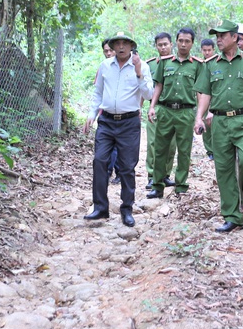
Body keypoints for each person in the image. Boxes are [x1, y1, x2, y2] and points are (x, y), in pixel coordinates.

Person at [194, 20, 243, 233]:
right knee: (224, 169)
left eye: (222, 35)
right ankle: (232, 215)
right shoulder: (210, 65)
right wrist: (199, 118)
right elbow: (205, 94)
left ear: (235, 38)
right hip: (219, 122)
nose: (218, 39)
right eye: (216, 36)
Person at [84, 32, 153, 227]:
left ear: (132, 46)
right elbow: (98, 92)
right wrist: (91, 114)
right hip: (106, 121)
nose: (121, 47)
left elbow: (148, 94)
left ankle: (127, 209)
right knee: (99, 160)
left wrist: (139, 71)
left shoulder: (142, 66)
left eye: (125, 43)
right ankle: (100, 208)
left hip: (129, 122)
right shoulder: (105, 66)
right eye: (117, 43)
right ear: (112, 47)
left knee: (127, 167)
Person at [147, 28, 203, 198]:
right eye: (181, 41)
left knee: (184, 151)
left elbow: (200, 92)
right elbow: (159, 86)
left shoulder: (197, 65)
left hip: (186, 112)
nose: (184, 44)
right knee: (160, 149)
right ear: (176, 42)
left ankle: (181, 186)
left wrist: (199, 117)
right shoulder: (165, 62)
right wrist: (152, 107)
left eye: (187, 41)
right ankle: (157, 185)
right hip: (165, 110)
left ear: (192, 43)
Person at [145, 33, 177, 190]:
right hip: (156, 107)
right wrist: (140, 107)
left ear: (171, 44)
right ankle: (152, 176)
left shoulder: (180, 63)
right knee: (153, 143)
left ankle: (165, 175)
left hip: (174, 109)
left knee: (171, 145)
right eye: (160, 45)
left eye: (165, 44)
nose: (163, 47)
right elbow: (142, 88)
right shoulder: (150, 65)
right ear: (156, 46)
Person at [101, 38, 120, 184]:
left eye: (110, 50)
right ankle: (107, 171)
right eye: (105, 51)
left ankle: (119, 172)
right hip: (106, 113)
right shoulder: (104, 67)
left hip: (125, 115)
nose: (108, 53)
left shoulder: (133, 66)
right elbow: (99, 91)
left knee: (120, 146)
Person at [200, 38, 216, 160]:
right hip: (202, 99)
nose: (207, 53)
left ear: (213, 50)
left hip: (216, 99)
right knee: (205, 124)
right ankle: (209, 150)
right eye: (204, 50)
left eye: (209, 50)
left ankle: (217, 148)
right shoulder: (200, 65)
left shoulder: (217, 62)